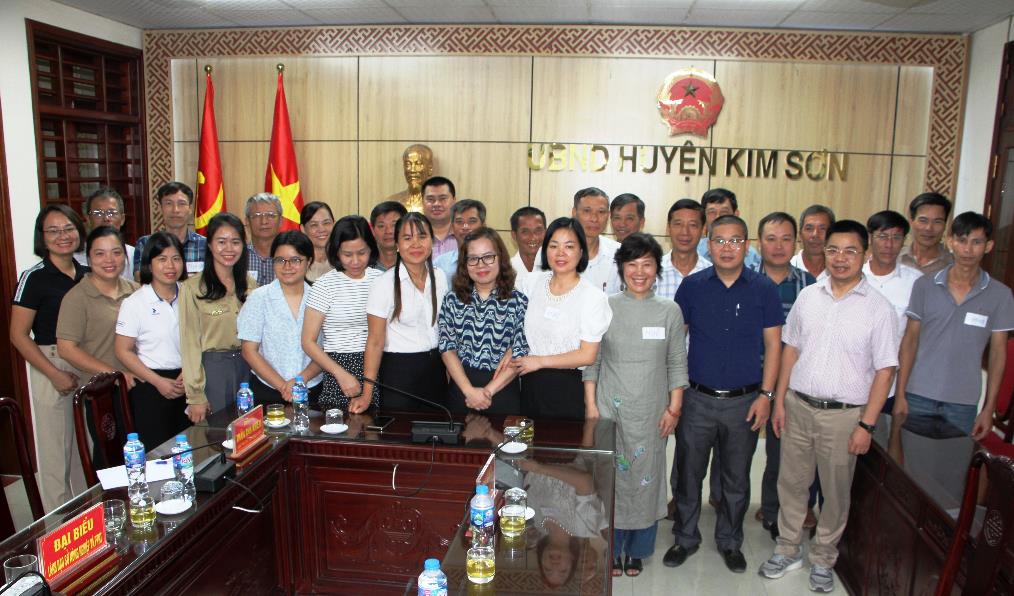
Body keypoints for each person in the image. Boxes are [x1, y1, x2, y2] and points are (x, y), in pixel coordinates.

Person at [760, 220, 898, 593]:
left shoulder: (879, 309)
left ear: (864, 255)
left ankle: (823, 557)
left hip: (844, 416)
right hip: (798, 406)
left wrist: (866, 425)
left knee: (835, 492)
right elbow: (790, 350)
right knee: (791, 483)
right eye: (833, 249)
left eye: (850, 251)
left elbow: (886, 371)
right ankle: (787, 548)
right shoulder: (809, 297)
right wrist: (779, 402)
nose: (840, 258)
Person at [666, 214, 782, 574]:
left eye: (735, 241)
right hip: (697, 398)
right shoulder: (693, 286)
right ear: (708, 245)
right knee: (688, 474)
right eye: (719, 240)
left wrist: (766, 396)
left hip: (745, 401)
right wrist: (675, 393)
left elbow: (774, 346)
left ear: (746, 246)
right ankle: (685, 538)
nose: (727, 248)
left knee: (736, 479)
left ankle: (730, 541)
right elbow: (676, 342)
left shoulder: (764, 288)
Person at [583, 233, 687, 577]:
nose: (639, 272)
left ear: (657, 269)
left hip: (652, 412)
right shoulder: (605, 306)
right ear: (621, 268)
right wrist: (591, 407)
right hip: (610, 409)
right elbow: (592, 361)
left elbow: (676, 362)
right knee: (610, 479)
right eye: (632, 264)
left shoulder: (670, 311)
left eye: (647, 264)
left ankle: (638, 550)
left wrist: (674, 409)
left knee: (646, 479)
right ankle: (612, 549)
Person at [896, 212, 1014, 438]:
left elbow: (998, 353)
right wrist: (900, 394)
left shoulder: (1001, 295)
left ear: (988, 246)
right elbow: (910, 341)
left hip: (963, 402)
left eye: (976, 242)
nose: (968, 250)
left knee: (953, 460)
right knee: (907, 458)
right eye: (962, 241)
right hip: (917, 395)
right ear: (950, 242)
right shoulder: (924, 286)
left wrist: (988, 408)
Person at [11, 205, 88, 511]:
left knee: (84, 448)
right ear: (42, 237)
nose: (62, 236)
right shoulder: (34, 277)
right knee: (56, 452)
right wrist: (53, 374)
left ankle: (88, 518)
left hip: (85, 360)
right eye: (53, 231)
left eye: (68, 228)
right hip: (51, 362)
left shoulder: (86, 273)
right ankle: (59, 526)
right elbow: (18, 335)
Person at [749, 212, 817, 539]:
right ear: (759, 243)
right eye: (771, 239)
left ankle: (775, 509)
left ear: (796, 242)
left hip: (790, 379)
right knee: (737, 449)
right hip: (748, 376)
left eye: (786, 239)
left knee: (783, 450)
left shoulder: (809, 286)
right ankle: (728, 503)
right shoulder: (745, 279)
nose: (778, 246)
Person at [513, 217, 612, 419]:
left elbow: (587, 355)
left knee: (561, 440)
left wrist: (540, 362)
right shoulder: (531, 284)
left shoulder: (593, 297)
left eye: (569, 246)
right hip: (529, 386)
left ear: (581, 252)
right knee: (526, 440)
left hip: (568, 389)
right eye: (553, 246)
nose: (560, 253)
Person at [56, 226, 140, 461]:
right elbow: (66, 349)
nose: (109, 260)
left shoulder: (136, 292)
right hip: (103, 394)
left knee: (140, 454)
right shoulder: (76, 298)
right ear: (89, 257)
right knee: (110, 459)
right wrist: (115, 374)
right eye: (100, 254)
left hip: (139, 388)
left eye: (116, 252)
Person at [438, 227, 529, 415]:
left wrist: (487, 392)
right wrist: (469, 391)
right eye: (473, 258)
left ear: (500, 258)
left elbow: (519, 352)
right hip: (462, 390)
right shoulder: (452, 299)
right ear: (464, 263)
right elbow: (447, 348)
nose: (481, 265)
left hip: (503, 390)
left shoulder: (519, 301)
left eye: (488, 257)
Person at [364, 212, 449, 412]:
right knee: (399, 429)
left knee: (437, 427)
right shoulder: (383, 284)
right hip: (399, 372)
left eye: (422, 236)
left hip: (436, 368)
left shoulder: (440, 277)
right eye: (407, 238)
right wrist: (367, 393)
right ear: (397, 244)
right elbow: (374, 342)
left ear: (431, 241)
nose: (416, 244)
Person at [115, 232, 190, 451]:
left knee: (190, 450)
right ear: (149, 263)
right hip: (151, 385)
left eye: (176, 258)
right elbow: (123, 350)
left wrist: (190, 372)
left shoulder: (190, 296)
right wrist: (158, 381)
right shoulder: (135, 302)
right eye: (162, 259)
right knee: (158, 454)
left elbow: (202, 340)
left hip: (187, 381)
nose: (170, 266)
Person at [302, 216, 383, 412]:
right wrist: (340, 373)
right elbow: (308, 341)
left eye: (362, 253)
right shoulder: (324, 285)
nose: (355, 261)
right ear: (336, 252)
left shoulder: (381, 280)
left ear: (371, 249)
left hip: (379, 365)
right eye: (347, 254)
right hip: (338, 366)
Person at [179, 212, 254, 422]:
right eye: (221, 242)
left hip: (249, 367)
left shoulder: (250, 284)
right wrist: (195, 395)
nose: (229, 248)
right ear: (210, 245)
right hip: (213, 371)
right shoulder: (193, 288)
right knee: (218, 433)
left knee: (249, 432)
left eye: (235, 242)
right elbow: (190, 343)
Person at [238, 231, 323, 407]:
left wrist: (301, 380)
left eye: (295, 260)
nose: (287, 266)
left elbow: (326, 348)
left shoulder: (320, 297)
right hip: (267, 390)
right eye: (280, 260)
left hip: (313, 387)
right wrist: (283, 386)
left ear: (309, 261)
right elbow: (249, 351)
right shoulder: (259, 298)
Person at [865, 210, 922, 410]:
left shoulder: (915, 281)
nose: (889, 245)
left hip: (891, 384)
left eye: (896, 238)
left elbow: (911, 340)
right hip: (852, 382)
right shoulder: (854, 276)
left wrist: (901, 393)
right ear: (870, 238)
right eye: (882, 236)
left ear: (904, 240)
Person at [133, 181, 207, 277]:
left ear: (190, 208)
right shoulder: (146, 243)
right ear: (160, 208)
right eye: (168, 203)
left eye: (181, 204)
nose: (175, 210)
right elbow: (140, 277)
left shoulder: (205, 245)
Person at [75, 187, 135, 280]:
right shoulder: (76, 258)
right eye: (98, 213)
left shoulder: (134, 255)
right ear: (88, 219)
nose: (106, 218)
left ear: (122, 219)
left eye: (112, 213)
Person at [658, 198, 711, 301]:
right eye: (678, 224)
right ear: (668, 228)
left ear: (703, 230)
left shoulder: (712, 275)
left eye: (692, 225)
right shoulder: (652, 272)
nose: (685, 232)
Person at [696, 188, 761, 270]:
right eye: (712, 212)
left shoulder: (751, 256)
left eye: (724, 212)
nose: (718, 217)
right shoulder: (694, 251)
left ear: (735, 214)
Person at [900, 192, 954, 275]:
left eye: (937, 221)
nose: (929, 228)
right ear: (911, 221)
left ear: (945, 225)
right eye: (923, 220)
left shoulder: (954, 265)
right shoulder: (895, 258)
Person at [433, 199, 486, 280]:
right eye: (459, 222)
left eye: (472, 221)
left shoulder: (493, 262)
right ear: (452, 227)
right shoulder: (439, 264)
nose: (465, 227)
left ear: (483, 226)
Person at [244, 193, 283, 285]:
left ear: (281, 221)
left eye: (271, 215)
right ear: (247, 221)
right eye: (257, 215)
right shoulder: (238, 256)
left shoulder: (290, 258)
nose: (264, 221)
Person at [790, 204, 836, 279]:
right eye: (809, 228)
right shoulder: (785, 269)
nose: (815, 234)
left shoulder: (841, 270)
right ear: (800, 235)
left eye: (822, 228)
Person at [386, 143, 433, 213]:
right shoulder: (391, 203)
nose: (412, 170)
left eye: (418, 163)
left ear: (430, 168)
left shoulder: (437, 205)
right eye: (408, 164)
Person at [509, 206, 546, 285]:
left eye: (538, 231)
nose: (533, 238)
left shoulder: (555, 268)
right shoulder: (505, 271)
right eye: (525, 232)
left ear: (545, 233)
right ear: (514, 235)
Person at [422, 176, 457, 258]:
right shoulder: (413, 236)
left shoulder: (465, 234)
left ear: (454, 201)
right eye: (430, 199)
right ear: (422, 202)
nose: (437, 204)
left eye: (443, 199)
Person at [300, 201, 335, 282]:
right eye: (314, 225)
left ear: (334, 224)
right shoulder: (296, 264)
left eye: (326, 223)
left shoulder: (343, 261)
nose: (322, 229)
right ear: (303, 229)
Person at [370, 201, 407, 272]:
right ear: (373, 230)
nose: (388, 231)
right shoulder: (362, 267)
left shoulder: (415, 266)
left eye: (394, 225)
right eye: (381, 226)